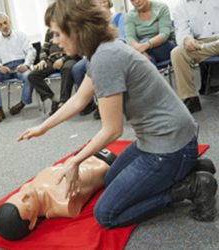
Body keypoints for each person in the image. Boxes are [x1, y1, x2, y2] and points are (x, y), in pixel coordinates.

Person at [18, 0, 217, 229]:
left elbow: (113, 130)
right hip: (164, 139)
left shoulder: (105, 58)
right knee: (111, 179)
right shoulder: (103, 50)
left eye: (56, 33)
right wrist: (43, 127)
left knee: (107, 214)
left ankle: (191, 186)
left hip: (170, 147)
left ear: (77, 29)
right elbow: (79, 99)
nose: (54, 41)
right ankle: (189, 167)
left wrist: (75, 160)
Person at [0, 149, 116, 241]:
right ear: (32, 222)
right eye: (25, 203)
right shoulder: (64, 203)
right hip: (106, 162)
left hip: (82, 154)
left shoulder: (27, 188)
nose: (24, 195)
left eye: (16, 196)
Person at [72, 0, 126, 119]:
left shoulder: (119, 16)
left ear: (109, 2)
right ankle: (89, 102)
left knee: (90, 65)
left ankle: (100, 103)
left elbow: (122, 37)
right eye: (98, 2)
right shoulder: (94, 22)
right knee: (76, 68)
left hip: (111, 51)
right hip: (96, 52)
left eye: (104, 1)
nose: (101, 4)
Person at [28, 3, 81, 116]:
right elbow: (44, 49)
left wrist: (63, 59)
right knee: (32, 75)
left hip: (69, 57)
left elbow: (78, 50)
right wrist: (42, 60)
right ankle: (53, 99)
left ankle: (63, 102)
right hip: (52, 60)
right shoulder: (49, 31)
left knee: (68, 68)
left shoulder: (71, 27)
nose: (55, 40)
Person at [0, 13, 36, 124]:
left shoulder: (21, 35)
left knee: (30, 76)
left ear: (9, 22)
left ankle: (21, 104)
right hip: (5, 69)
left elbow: (31, 51)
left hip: (20, 65)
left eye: (5, 23)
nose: (4, 26)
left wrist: (26, 65)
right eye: (0, 24)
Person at [171, 0, 219, 114]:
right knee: (177, 53)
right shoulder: (180, 8)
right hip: (202, 44)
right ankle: (191, 99)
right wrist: (187, 40)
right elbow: (182, 31)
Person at [125, 0, 176, 64]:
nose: (136, 1)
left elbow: (164, 34)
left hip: (167, 46)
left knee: (138, 56)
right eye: (132, 0)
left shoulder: (161, 8)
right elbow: (130, 38)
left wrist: (145, 45)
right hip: (146, 52)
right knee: (146, 59)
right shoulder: (129, 16)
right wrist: (140, 50)